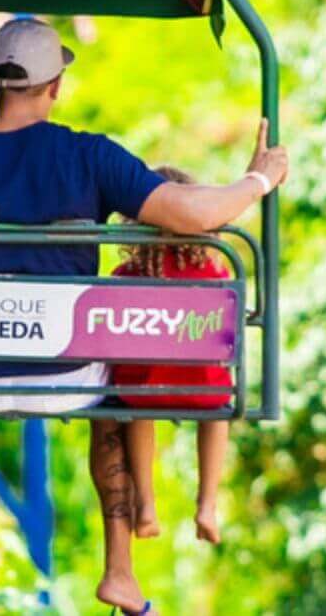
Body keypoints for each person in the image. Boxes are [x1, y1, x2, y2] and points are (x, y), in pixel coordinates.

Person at [0, 19, 289, 615]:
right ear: (56, 86)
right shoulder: (89, 156)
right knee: (113, 394)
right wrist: (258, 178)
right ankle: (119, 571)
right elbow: (191, 213)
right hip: (68, 376)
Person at [110, 165, 236, 545]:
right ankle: (207, 504)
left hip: (144, 389)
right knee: (218, 412)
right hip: (203, 392)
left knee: (137, 410)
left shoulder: (125, 274)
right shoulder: (216, 272)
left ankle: (146, 506)